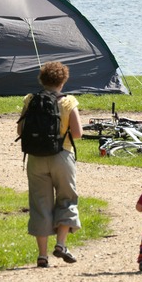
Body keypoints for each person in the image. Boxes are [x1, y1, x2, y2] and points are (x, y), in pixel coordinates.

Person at [19, 61, 82, 268]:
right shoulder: (68, 102)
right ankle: (61, 244)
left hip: (36, 158)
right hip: (62, 155)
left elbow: (20, 131)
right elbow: (77, 134)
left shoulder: (30, 99)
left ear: (41, 79)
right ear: (63, 81)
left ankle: (42, 255)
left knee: (40, 204)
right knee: (66, 199)